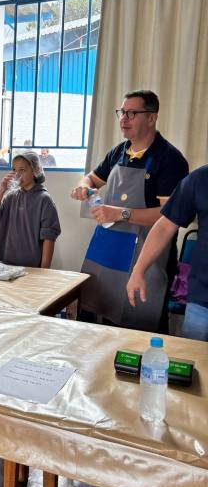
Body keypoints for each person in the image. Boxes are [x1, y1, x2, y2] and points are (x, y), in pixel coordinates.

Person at [71, 89, 188, 331]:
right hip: (108, 250)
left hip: (146, 258)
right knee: (100, 318)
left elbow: (169, 217)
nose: (124, 119)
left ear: (152, 118)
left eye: (132, 113)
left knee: (139, 327)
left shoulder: (170, 159)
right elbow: (91, 178)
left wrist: (121, 213)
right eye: (122, 112)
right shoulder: (119, 152)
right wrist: (83, 186)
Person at [127, 165, 208, 341]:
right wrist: (138, 270)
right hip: (202, 299)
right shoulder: (201, 178)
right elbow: (165, 226)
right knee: (195, 355)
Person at [0, 150, 61, 268]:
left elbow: (49, 238)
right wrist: (2, 190)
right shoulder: (11, 196)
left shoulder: (44, 199)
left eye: (22, 170)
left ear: (35, 171)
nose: (17, 175)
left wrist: (44, 270)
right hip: (6, 263)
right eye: (15, 170)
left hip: (31, 266)